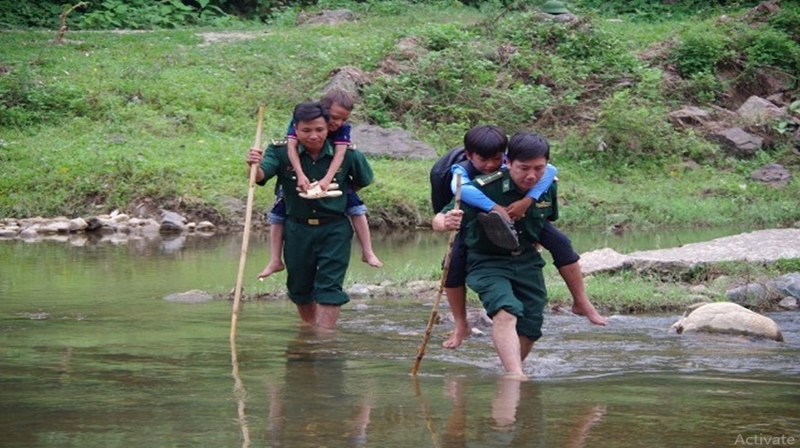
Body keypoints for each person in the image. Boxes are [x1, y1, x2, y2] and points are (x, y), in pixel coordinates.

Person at [433, 127, 606, 350]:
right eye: (483, 160)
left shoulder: (517, 165)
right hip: (475, 220)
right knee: (453, 264)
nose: (490, 165)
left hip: (520, 217)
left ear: (505, 157)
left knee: (562, 243)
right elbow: (463, 192)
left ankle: (581, 302)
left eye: (497, 158)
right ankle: (460, 324)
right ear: (469, 155)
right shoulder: (461, 171)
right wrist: (494, 208)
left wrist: (527, 201)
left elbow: (550, 171)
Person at [433, 131, 557, 378]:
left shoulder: (546, 183)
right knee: (505, 310)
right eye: (524, 169)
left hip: (527, 261)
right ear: (509, 163)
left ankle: (508, 369)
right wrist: (445, 222)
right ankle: (514, 376)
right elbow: (439, 217)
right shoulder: (479, 185)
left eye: (538, 169)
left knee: (531, 327)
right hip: (487, 260)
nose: (531, 176)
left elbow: (548, 218)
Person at [246, 101, 374, 329]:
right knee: (299, 286)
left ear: (327, 127)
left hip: (334, 229)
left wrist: (342, 192)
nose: (313, 136)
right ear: (295, 128)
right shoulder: (280, 151)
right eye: (306, 130)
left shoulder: (347, 153)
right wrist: (252, 165)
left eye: (319, 130)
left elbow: (364, 179)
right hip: (296, 229)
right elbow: (259, 177)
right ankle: (309, 330)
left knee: (329, 286)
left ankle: (324, 338)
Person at [258, 90, 382, 280]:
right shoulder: (298, 124)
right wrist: (300, 175)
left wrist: (329, 182)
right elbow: (290, 149)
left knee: (357, 208)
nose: (338, 123)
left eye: (344, 119)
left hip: (333, 192)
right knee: (278, 214)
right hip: (297, 202)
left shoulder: (343, 132)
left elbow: (341, 155)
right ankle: (275, 259)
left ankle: (368, 251)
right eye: (335, 117)